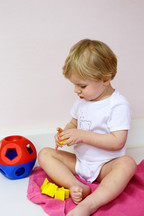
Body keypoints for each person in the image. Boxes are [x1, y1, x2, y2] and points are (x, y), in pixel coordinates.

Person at [38, 39, 137, 216]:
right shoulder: (82, 101)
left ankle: (90, 204)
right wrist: (66, 133)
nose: (76, 90)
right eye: (74, 85)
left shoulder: (117, 105)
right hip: (81, 163)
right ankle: (76, 185)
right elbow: (74, 123)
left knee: (127, 164)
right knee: (45, 154)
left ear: (105, 79)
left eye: (82, 86)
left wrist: (82, 135)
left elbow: (117, 142)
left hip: (106, 166)